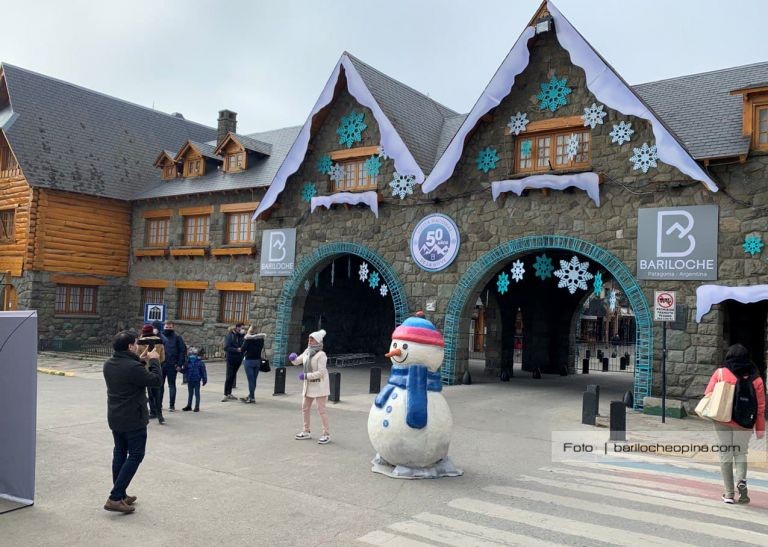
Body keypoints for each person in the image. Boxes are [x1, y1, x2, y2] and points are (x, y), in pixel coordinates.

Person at [102, 330, 163, 513]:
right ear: (130, 346)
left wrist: (140, 359)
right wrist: (154, 360)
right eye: (135, 343)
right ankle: (114, 498)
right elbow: (156, 381)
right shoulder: (131, 367)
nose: (138, 346)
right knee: (136, 455)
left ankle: (120, 494)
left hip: (115, 416)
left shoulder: (110, 363)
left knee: (120, 453)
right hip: (133, 417)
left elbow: (131, 373)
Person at [704, 344, 765, 504]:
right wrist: (760, 429)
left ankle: (729, 494)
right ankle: (741, 480)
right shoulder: (756, 378)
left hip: (722, 419)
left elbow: (708, 393)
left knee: (725, 454)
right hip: (744, 422)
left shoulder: (721, 373)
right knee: (740, 453)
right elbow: (760, 407)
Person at [289, 329, 331, 444]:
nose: (309, 341)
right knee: (305, 408)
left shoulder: (321, 355)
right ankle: (306, 431)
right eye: (309, 339)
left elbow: (321, 373)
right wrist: (293, 359)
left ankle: (326, 434)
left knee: (321, 410)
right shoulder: (307, 351)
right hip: (309, 386)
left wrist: (306, 375)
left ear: (317, 341)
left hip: (320, 386)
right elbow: (298, 361)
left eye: (311, 339)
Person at [137, 324, 166, 424]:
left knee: (145, 393)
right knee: (157, 392)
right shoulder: (159, 341)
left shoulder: (140, 342)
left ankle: (150, 412)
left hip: (144, 370)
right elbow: (162, 358)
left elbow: (137, 357)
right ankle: (159, 414)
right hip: (156, 368)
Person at [160, 320, 187, 412]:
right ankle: (159, 404)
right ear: (164, 327)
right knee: (160, 385)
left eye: (170, 327)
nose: (168, 328)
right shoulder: (160, 337)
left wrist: (179, 364)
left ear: (173, 327)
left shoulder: (177, 338)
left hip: (172, 365)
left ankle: (172, 405)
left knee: (172, 385)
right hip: (161, 365)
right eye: (166, 327)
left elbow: (182, 351)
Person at [240, 326, 266, 404]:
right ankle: (250, 396)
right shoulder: (261, 339)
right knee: (254, 380)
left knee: (251, 380)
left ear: (250, 331)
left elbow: (242, 349)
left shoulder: (248, 339)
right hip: (257, 361)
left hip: (249, 361)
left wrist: (246, 337)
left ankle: (252, 397)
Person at [222, 323, 245, 401]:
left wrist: (243, 336)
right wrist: (236, 349)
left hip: (238, 359)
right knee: (229, 376)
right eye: (241, 328)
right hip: (231, 358)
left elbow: (243, 344)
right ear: (236, 328)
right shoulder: (229, 336)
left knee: (233, 376)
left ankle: (229, 393)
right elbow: (226, 347)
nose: (242, 329)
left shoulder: (240, 336)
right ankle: (225, 394)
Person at [182, 347, 207, 412]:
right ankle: (189, 405)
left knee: (196, 393)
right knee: (190, 393)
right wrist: (179, 370)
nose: (192, 356)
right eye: (191, 354)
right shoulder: (187, 362)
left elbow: (203, 372)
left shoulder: (200, 362)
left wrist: (204, 379)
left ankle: (197, 406)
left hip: (196, 380)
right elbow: (184, 371)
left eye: (193, 354)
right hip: (190, 380)